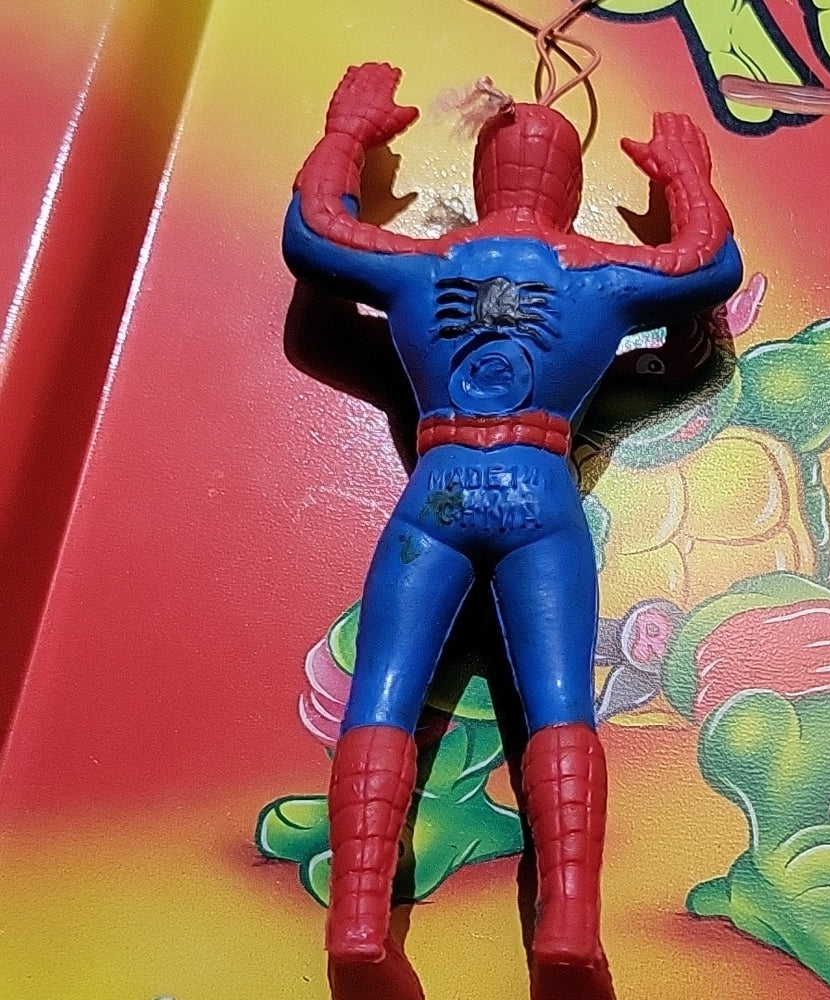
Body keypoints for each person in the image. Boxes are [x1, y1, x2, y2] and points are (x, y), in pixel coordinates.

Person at [283, 61, 742, 1000]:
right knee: (559, 701)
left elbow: (315, 233)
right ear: (569, 186)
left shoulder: (421, 267)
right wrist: (685, 174)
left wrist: (349, 132)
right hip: (540, 489)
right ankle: (568, 928)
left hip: (440, 485)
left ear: (482, 174)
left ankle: (359, 926)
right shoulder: (601, 275)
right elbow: (707, 265)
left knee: (385, 693)